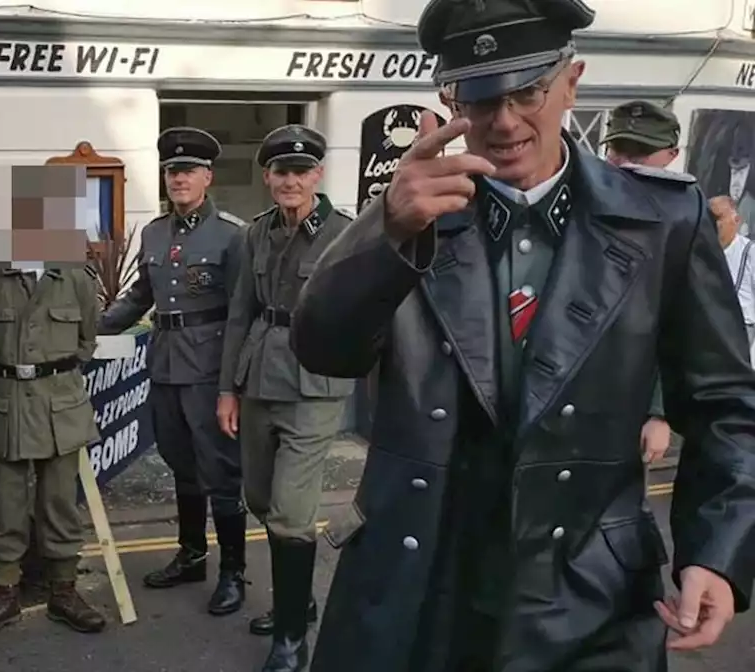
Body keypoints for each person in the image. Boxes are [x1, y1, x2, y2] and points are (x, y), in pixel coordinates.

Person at [292, 0, 755, 669]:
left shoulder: (661, 221)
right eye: (480, 99)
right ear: (449, 101)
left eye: (528, 90)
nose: (504, 120)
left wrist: (717, 550)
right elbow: (322, 349)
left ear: (572, 81)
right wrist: (386, 228)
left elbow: (726, 408)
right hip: (422, 584)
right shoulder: (409, 216)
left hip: (589, 596)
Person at [98, 127, 248, 616]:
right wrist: (93, 329)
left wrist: (233, 384)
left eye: (187, 171)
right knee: (181, 463)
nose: (178, 179)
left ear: (207, 176)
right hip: (163, 364)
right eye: (171, 171)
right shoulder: (154, 232)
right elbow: (141, 295)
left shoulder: (233, 233)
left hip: (210, 370)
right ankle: (192, 554)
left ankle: (233, 572)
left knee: (221, 471)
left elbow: (244, 312)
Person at [216, 125, 351, 672]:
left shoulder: (345, 231)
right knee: (262, 501)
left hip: (314, 384)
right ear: (267, 176)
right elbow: (239, 313)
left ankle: (291, 640)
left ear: (318, 175)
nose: (290, 181)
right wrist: (228, 388)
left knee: (293, 513)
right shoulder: (255, 233)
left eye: (301, 171)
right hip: (259, 378)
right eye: (280, 171)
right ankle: (302, 600)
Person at [0, 166, 107, 637]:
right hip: (5, 402)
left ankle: (63, 589)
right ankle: (4, 591)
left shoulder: (77, 277)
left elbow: (86, 340)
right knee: (4, 506)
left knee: (60, 504)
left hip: (60, 406)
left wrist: (49, 373)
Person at [602, 99, 683, 464]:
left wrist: (659, 412)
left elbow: (684, 327)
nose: (626, 163)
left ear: (670, 155)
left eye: (641, 153)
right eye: (619, 149)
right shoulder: (580, 205)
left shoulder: (682, 224)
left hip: (628, 404)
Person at [711, 195, 755, 361]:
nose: (714, 225)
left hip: (741, 331)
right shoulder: (701, 251)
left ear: (736, 220)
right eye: (709, 219)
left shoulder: (750, 252)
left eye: (719, 218)